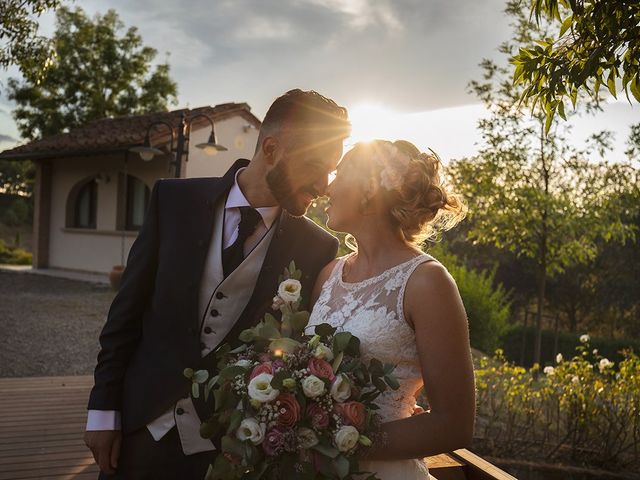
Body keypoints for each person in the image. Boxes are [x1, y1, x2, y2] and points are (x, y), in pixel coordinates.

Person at [84, 89, 350, 479]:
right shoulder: (173, 201)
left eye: (332, 170)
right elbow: (125, 315)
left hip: (232, 445)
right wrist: (103, 410)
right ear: (273, 149)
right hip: (139, 426)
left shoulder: (318, 247)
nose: (325, 184)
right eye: (315, 165)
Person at [307, 140, 476, 479]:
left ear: (369, 190)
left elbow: (454, 424)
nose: (328, 186)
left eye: (340, 173)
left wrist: (341, 440)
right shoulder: (328, 275)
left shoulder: (427, 283)